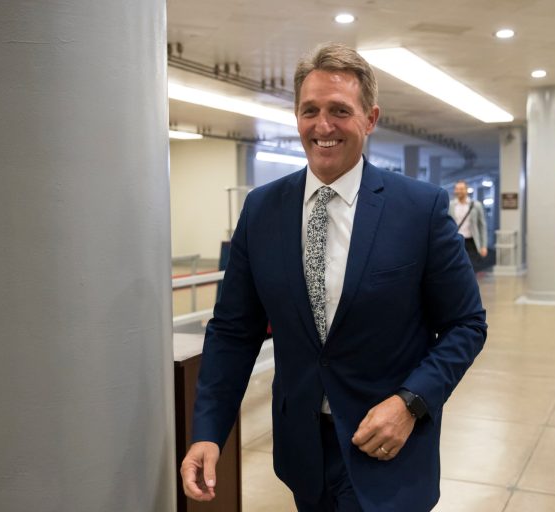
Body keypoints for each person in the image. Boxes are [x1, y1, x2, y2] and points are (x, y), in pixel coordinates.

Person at [180, 42, 487, 511]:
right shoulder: (262, 210)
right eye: (310, 111)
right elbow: (233, 330)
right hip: (304, 449)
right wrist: (208, 430)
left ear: (370, 118)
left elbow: (467, 324)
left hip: (389, 447)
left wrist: (410, 403)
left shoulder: (418, 209)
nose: (323, 126)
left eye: (340, 110)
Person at [449, 180, 488, 271]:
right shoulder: (451, 205)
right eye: (457, 189)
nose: (459, 191)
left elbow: (482, 226)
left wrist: (483, 246)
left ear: (466, 190)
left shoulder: (476, 205)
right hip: (457, 241)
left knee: (472, 267)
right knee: (457, 267)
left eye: (461, 189)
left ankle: (471, 285)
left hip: (471, 242)